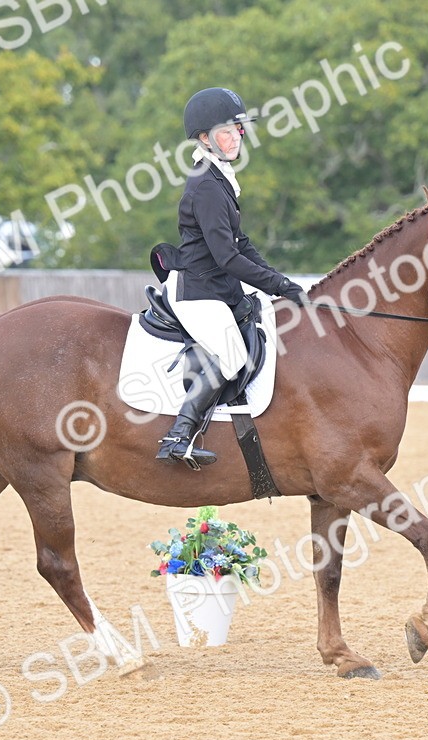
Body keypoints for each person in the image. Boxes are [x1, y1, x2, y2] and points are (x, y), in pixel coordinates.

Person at [155, 87, 309, 468]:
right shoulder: (206, 185)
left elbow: (242, 244)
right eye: (227, 130)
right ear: (205, 138)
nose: (237, 136)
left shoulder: (219, 177)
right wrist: (276, 285)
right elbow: (227, 257)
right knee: (232, 353)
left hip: (217, 287)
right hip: (199, 291)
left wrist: (281, 281)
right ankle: (179, 436)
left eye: (239, 129)